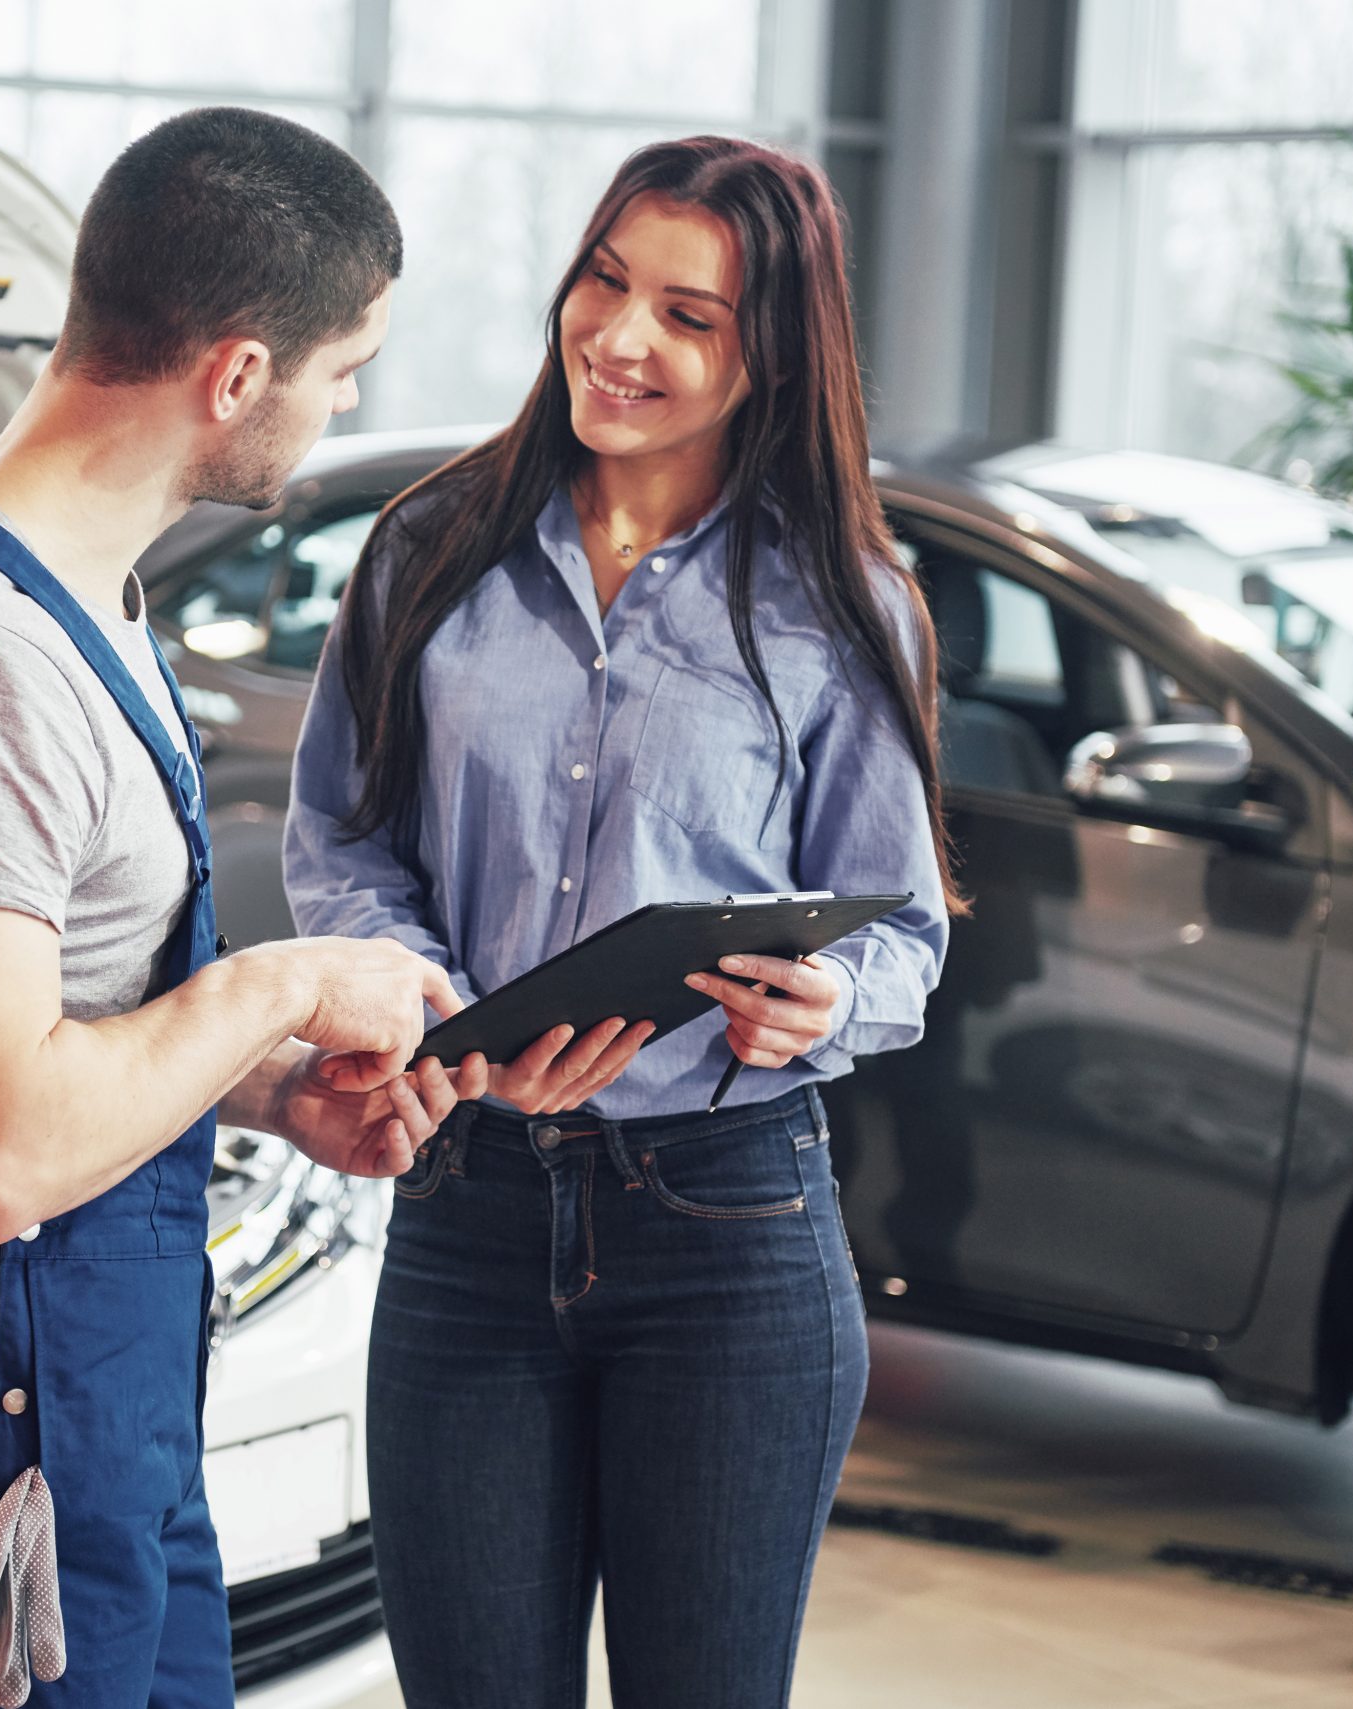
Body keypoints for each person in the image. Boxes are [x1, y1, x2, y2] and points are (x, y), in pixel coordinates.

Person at [0, 107, 486, 1709]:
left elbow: (65, 1001)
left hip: (104, 1385)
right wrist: (285, 988)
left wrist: (276, 1094)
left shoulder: (81, 583)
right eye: (342, 365)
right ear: (237, 374)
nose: (348, 401)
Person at [284, 135, 956, 1707]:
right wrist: (440, 998)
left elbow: (900, 935)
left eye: (689, 315)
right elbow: (343, 838)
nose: (623, 338)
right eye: (606, 281)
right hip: (467, 1209)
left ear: (768, 354)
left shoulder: (845, 600)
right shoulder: (427, 553)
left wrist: (822, 1003)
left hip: (729, 1234)